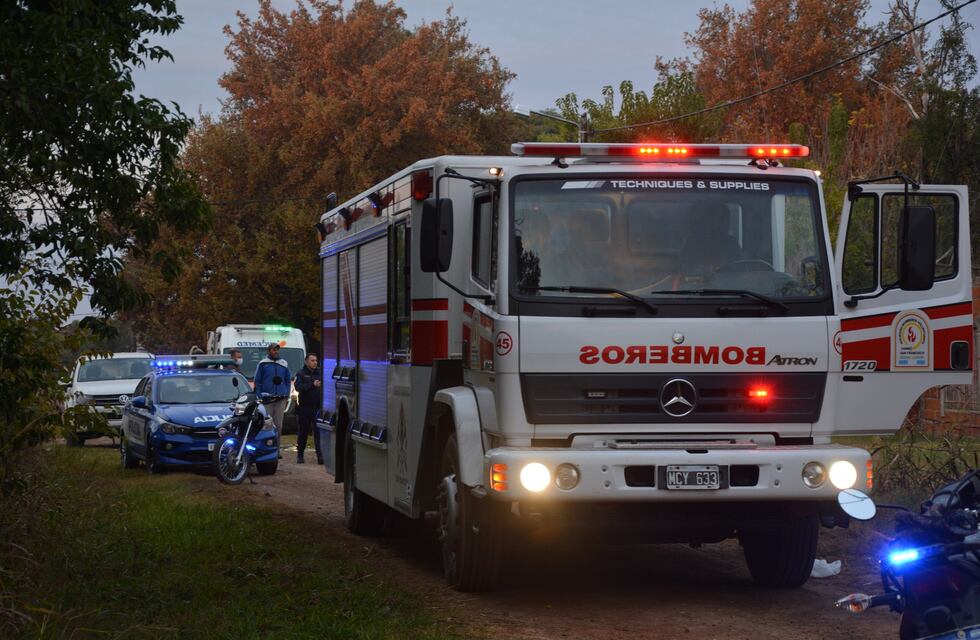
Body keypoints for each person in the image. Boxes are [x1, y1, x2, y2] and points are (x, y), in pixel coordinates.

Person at [253, 343, 291, 450]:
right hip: (266, 399)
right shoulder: (263, 364)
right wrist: (259, 395)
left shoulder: (284, 363)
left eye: (277, 350)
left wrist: (286, 394)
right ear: (268, 351)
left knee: (278, 426)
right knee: (267, 425)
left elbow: (288, 380)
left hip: (280, 399)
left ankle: (276, 450)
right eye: (274, 350)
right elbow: (257, 381)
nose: (276, 352)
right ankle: (266, 448)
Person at [293, 353, 322, 464]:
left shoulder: (320, 372)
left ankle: (320, 456)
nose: (315, 362)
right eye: (312, 360)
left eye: (316, 360)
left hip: (317, 408)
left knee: (318, 433)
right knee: (303, 433)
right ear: (306, 362)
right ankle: (300, 455)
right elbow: (298, 387)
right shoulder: (301, 373)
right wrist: (312, 384)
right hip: (304, 408)